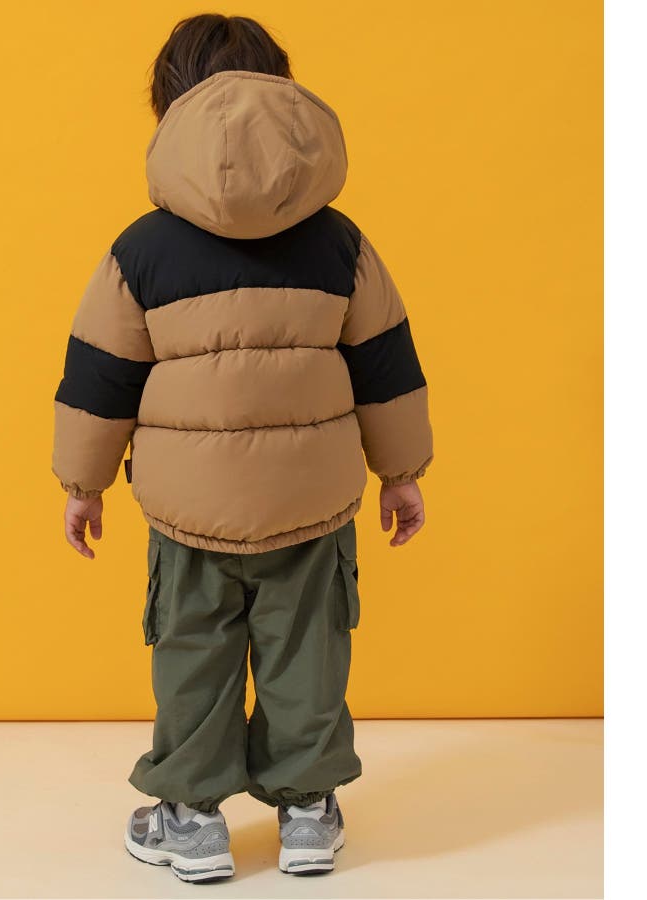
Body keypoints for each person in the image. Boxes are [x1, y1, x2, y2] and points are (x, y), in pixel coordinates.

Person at [51, 12, 434, 883]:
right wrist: (401, 474)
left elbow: (100, 373)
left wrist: (83, 483)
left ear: (168, 109)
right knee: (309, 653)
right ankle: (308, 812)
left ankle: (190, 819)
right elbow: (386, 363)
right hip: (311, 503)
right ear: (285, 99)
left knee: (193, 653)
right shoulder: (340, 242)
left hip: (189, 510)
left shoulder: (141, 250)